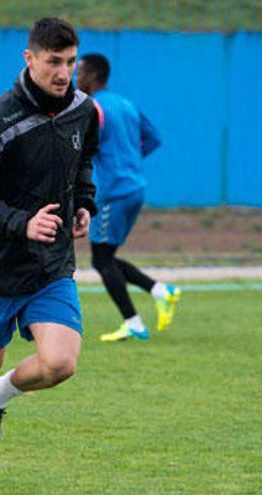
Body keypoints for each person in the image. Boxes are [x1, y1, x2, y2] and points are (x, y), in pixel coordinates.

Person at [0, 17, 99, 495]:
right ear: (29, 59)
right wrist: (21, 222)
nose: (63, 73)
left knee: (60, 363)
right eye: (53, 62)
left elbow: (82, 162)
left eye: (70, 62)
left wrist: (85, 204)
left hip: (50, 265)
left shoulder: (84, 111)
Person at [74, 53, 180, 342]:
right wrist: (130, 160)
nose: (76, 78)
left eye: (80, 73)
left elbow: (82, 148)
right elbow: (154, 138)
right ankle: (159, 291)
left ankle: (134, 322)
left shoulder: (93, 107)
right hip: (134, 187)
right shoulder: (126, 104)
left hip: (114, 192)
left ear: (94, 76)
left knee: (102, 260)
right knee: (105, 257)